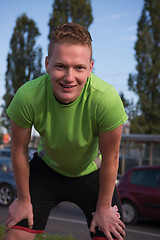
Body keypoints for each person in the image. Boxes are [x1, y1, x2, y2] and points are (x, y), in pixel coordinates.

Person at [4, 22, 127, 240]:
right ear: (47, 64)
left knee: (112, 236)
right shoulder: (27, 96)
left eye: (79, 68)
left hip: (91, 173)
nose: (69, 77)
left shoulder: (106, 99)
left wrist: (104, 208)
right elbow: (18, 151)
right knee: (14, 235)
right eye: (61, 66)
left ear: (90, 67)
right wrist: (23, 199)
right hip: (47, 171)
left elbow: (111, 157)